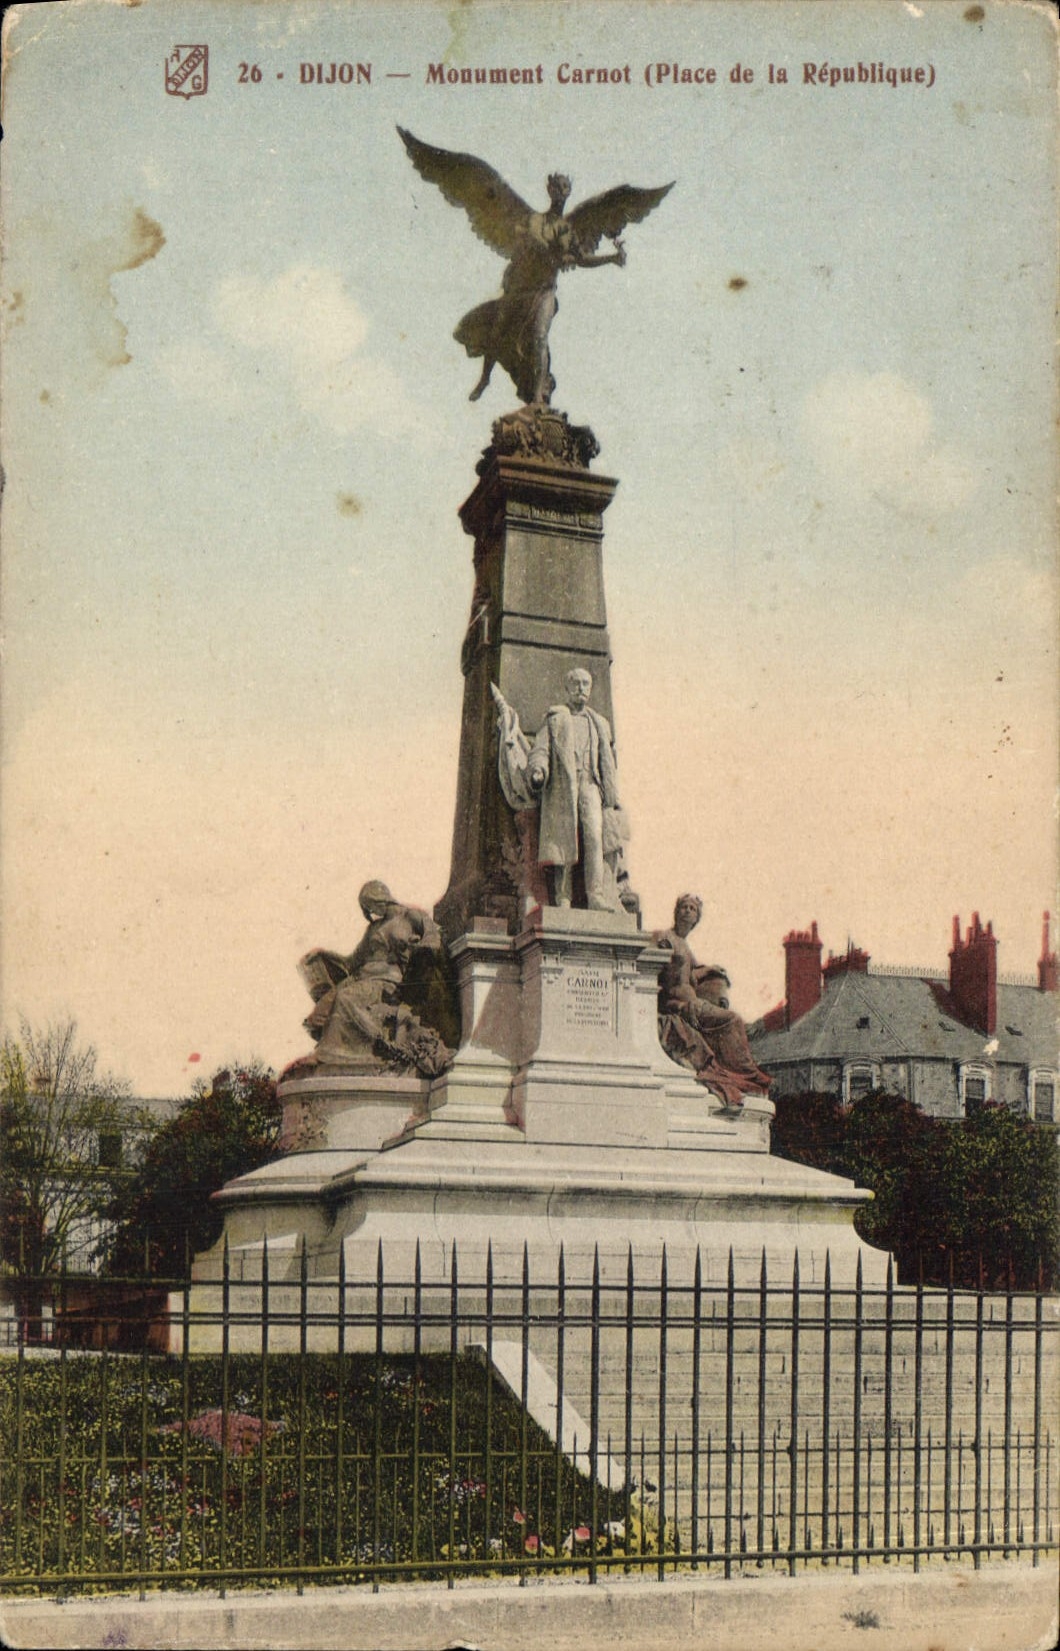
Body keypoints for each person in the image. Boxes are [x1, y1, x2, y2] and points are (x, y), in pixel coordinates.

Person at [457, 174, 627, 406]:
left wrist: (612, 258)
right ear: (550, 190)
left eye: (565, 188)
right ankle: (485, 379)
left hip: (544, 292)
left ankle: (537, 396)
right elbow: (536, 243)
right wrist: (559, 256)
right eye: (558, 187)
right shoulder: (535, 220)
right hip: (521, 289)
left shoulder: (565, 229)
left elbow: (582, 259)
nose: (561, 192)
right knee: (497, 332)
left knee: (539, 338)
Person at [290, 881, 452, 1078]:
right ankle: (330, 1053)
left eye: (369, 906)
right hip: (359, 979)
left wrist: (419, 950)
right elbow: (352, 961)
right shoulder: (373, 929)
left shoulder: (410, 916)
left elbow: (433, 937)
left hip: (386, 983)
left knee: (344, 998)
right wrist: (325, 956)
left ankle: (327, 1056)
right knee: (319, 1016)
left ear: (378, 898)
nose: (370, 912)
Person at [653, 894, 773, 1109]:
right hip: (681, 1006)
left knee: (731, 1021)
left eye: (692, 909)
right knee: (733, 1021)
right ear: (676, 911)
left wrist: (709, 970)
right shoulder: (665, 938)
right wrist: (674, 1005)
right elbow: (656, 973)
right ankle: (746, 1074)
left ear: (697, 918)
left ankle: (740, 1074)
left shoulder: (685, 946)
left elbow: (688, 977)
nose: (687, 911)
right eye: (684, 907)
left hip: (694, 1004)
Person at [527, 667, 627, 910]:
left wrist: (611, 796)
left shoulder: (600, 723)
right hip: (563, 788)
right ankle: (563, 897)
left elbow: (608, 762)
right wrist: (538, 770)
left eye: (585, 684)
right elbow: (541, 749)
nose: (581, 688)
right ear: (567, 688)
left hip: (591, 787)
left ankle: (596, 895)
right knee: (565, 840)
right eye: (576, 684)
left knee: (594, 839)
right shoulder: (555, 719)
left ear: (591, 689)